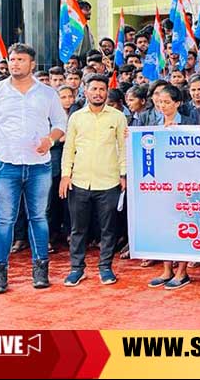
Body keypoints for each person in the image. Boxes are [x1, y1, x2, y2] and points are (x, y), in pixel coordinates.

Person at [0, 43, 67, 294]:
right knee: (4, 220)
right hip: (5, 165)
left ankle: (40, 269)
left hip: (39, 167)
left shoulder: (47, 93)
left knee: (39, 218)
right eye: (12, 59)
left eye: (21, 59)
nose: (15, 63)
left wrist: (50, 140)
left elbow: (61, 123)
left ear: (32, 64)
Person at [59, 74, 127, 287]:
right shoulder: (76, 117)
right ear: (85, 91)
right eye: (94, 89)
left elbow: (123, 148)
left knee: (108, 229)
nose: (98, 93)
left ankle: (105, 267)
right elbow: (69, 148)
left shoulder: (117, 117)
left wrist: (124, 174)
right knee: (78, 229)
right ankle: (76, 269)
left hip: (109, 182)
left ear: (107, 92)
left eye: (102, 89)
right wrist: (65, 175)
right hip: (79, 181)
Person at [147, 84, 198, 290]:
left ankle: (182, 271)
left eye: (167, 102)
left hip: (184, 182)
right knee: (164, 226)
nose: (162, 106)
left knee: (183, 225)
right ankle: (166, 269)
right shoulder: (152, 122)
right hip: (160, 183)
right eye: (159, 102)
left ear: (177, 103)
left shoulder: (189, 123)